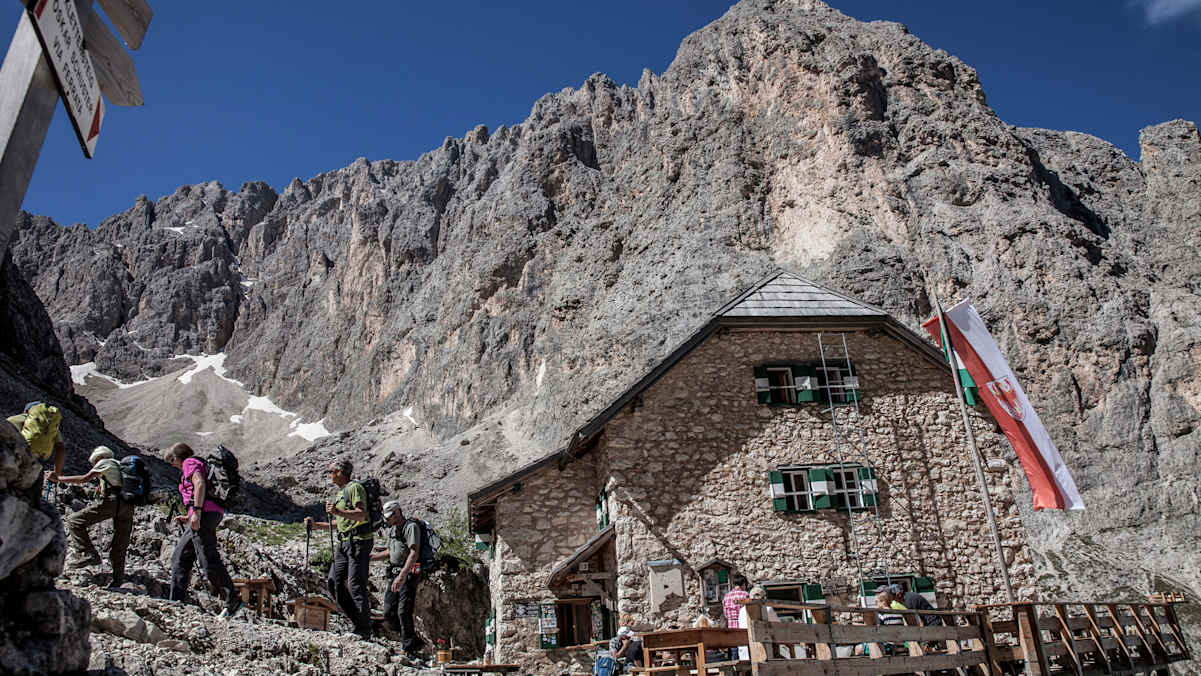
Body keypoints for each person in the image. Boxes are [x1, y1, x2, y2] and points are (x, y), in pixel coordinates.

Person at [164, 443, 243, 618]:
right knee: (180, 556)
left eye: (171, 461)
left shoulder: (189, 463)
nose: (173, 465)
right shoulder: (200, 463)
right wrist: (190, 516)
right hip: (209, 512)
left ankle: (232, 599)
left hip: (204, 513)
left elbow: (199, 483)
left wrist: (197, 512)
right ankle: (176, 602)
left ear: (176, 458)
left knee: (206, 557)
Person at [305, 459, 373, 639]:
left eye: (331, 472)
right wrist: (316, 525)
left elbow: (361, 514)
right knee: (333, 582)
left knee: (355, 584)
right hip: (344, 542)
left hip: (359, 541)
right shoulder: (341, 492)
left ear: (340, 472)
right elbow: (341, 522)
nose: (329, 475)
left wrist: (336, 511)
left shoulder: (354, 488)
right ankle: (358, 623)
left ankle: (364, 629)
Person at [49, 446, 135, 585]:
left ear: (98, 458)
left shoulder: (104, 462)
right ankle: (118, 580)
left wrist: (58, 479)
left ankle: (89, 554)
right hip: (129, 505)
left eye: (94, 462)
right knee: (120, 544)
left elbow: (84, 478)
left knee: (74, 521)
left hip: (113, 501)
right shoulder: (120, 465)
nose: (95, 465)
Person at [370, 500, 422, 653]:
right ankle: (411, 639)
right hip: (394, 573)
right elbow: (391, 551)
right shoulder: (392, 530)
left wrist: (402, 576)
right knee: (388, 611)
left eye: (390, 516)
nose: (387, 520)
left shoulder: (411, 527)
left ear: (398, 512)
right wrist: (373, 557)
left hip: (408, 574)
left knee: (403, 611)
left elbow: (414, 553)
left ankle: (409, 648)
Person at [8, 401, 67, 499]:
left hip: (19, 457)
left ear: (27, 411)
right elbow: (61, 449)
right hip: (39, 462)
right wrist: (56, 473)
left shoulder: (21, 418)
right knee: (33, 496)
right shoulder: (51, 429)